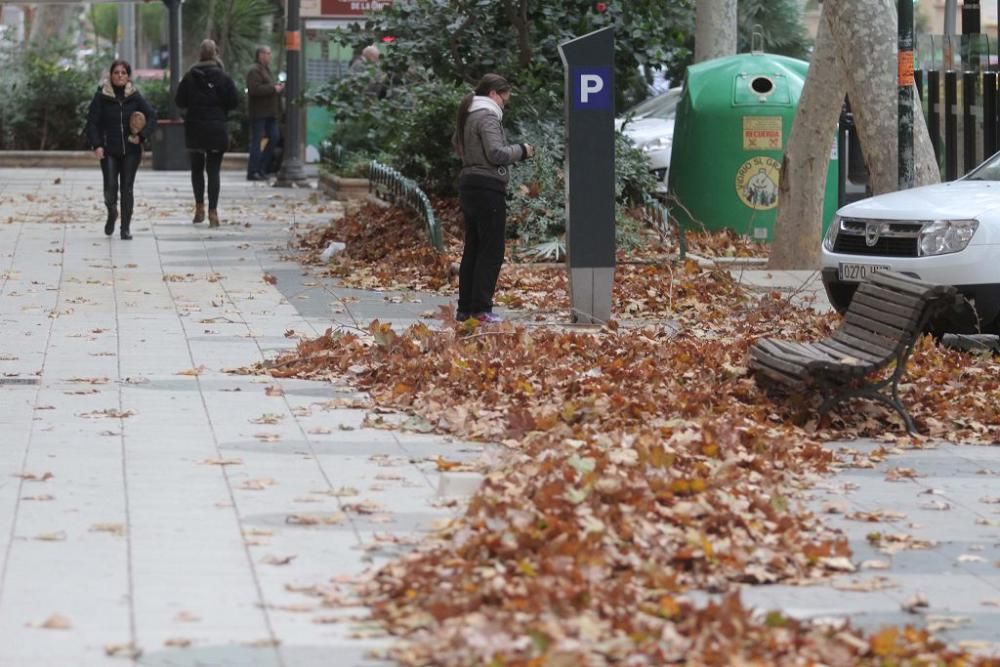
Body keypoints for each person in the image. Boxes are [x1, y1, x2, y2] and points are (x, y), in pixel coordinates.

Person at [452, 73, 534, 323]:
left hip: (469, 183)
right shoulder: (487, 116)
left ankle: (465, 308)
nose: (503, 105)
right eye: (504, 99)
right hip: (487, 186)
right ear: (493, 94)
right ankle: (482, 308)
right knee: (491, 250)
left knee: (474, 248)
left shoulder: (468, 115)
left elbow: (457, 144)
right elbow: (496, 153)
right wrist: (522, 150)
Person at [85, 59, 157, 240]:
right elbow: (92, 123)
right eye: (116, 72)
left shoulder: (134, 96)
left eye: (123, 73)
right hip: (108, 150)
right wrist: (97, 145)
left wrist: (141, 136)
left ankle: (125, 228)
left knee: (127, 188)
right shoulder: (101, 96)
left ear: (128, 76)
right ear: (110, 75)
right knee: (110, 187)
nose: (119, 76)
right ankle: (111, 212)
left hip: (130, 151)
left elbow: (152, 116)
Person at [175, 39, 239, 227]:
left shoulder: (189, 77)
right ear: (216, 54)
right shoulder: (224, 78)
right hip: (216, 128)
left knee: (196, 169)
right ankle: (213, 212)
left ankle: (199, 208)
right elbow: (234, 102)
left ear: (199, 54)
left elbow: (179, 101)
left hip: (195, 128)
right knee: (213, 170)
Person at [245, 45, 284, 181]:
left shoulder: (267, 70)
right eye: (267, 53)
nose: (269, 56)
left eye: (269, 53)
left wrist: (277, 88)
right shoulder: (254, 70)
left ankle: (262, 168)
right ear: (260, 54)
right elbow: (254, 89)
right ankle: (253, 171)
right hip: (259, 113)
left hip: (270, 113)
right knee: (257, 141)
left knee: (274, 137)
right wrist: (273, 88)